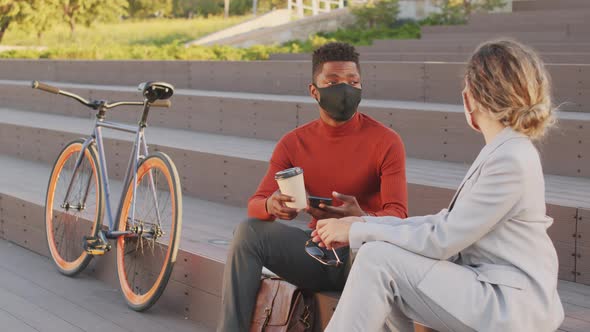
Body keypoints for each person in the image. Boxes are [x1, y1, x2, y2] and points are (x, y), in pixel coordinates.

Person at [313, 39, 565, 332]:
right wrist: (364, 223)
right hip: (494, 292)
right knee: (377, 254)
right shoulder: (505, 150)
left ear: (472, 97)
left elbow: (442, 239)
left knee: (377, 259)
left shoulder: (510, 158)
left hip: (511, 305)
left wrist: (357, 230)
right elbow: (446, 224)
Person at [217, 42, 408, 331]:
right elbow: (255, 205)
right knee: (247, 232)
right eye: (333, 82)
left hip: (364, 256)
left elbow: (399, 216)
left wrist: (361, 219)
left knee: (372, 251)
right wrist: (273, 205)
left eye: (353, 82)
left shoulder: (386, 141)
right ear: (314, 91)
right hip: (315, 252)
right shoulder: (294, 143)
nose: (344, 89)